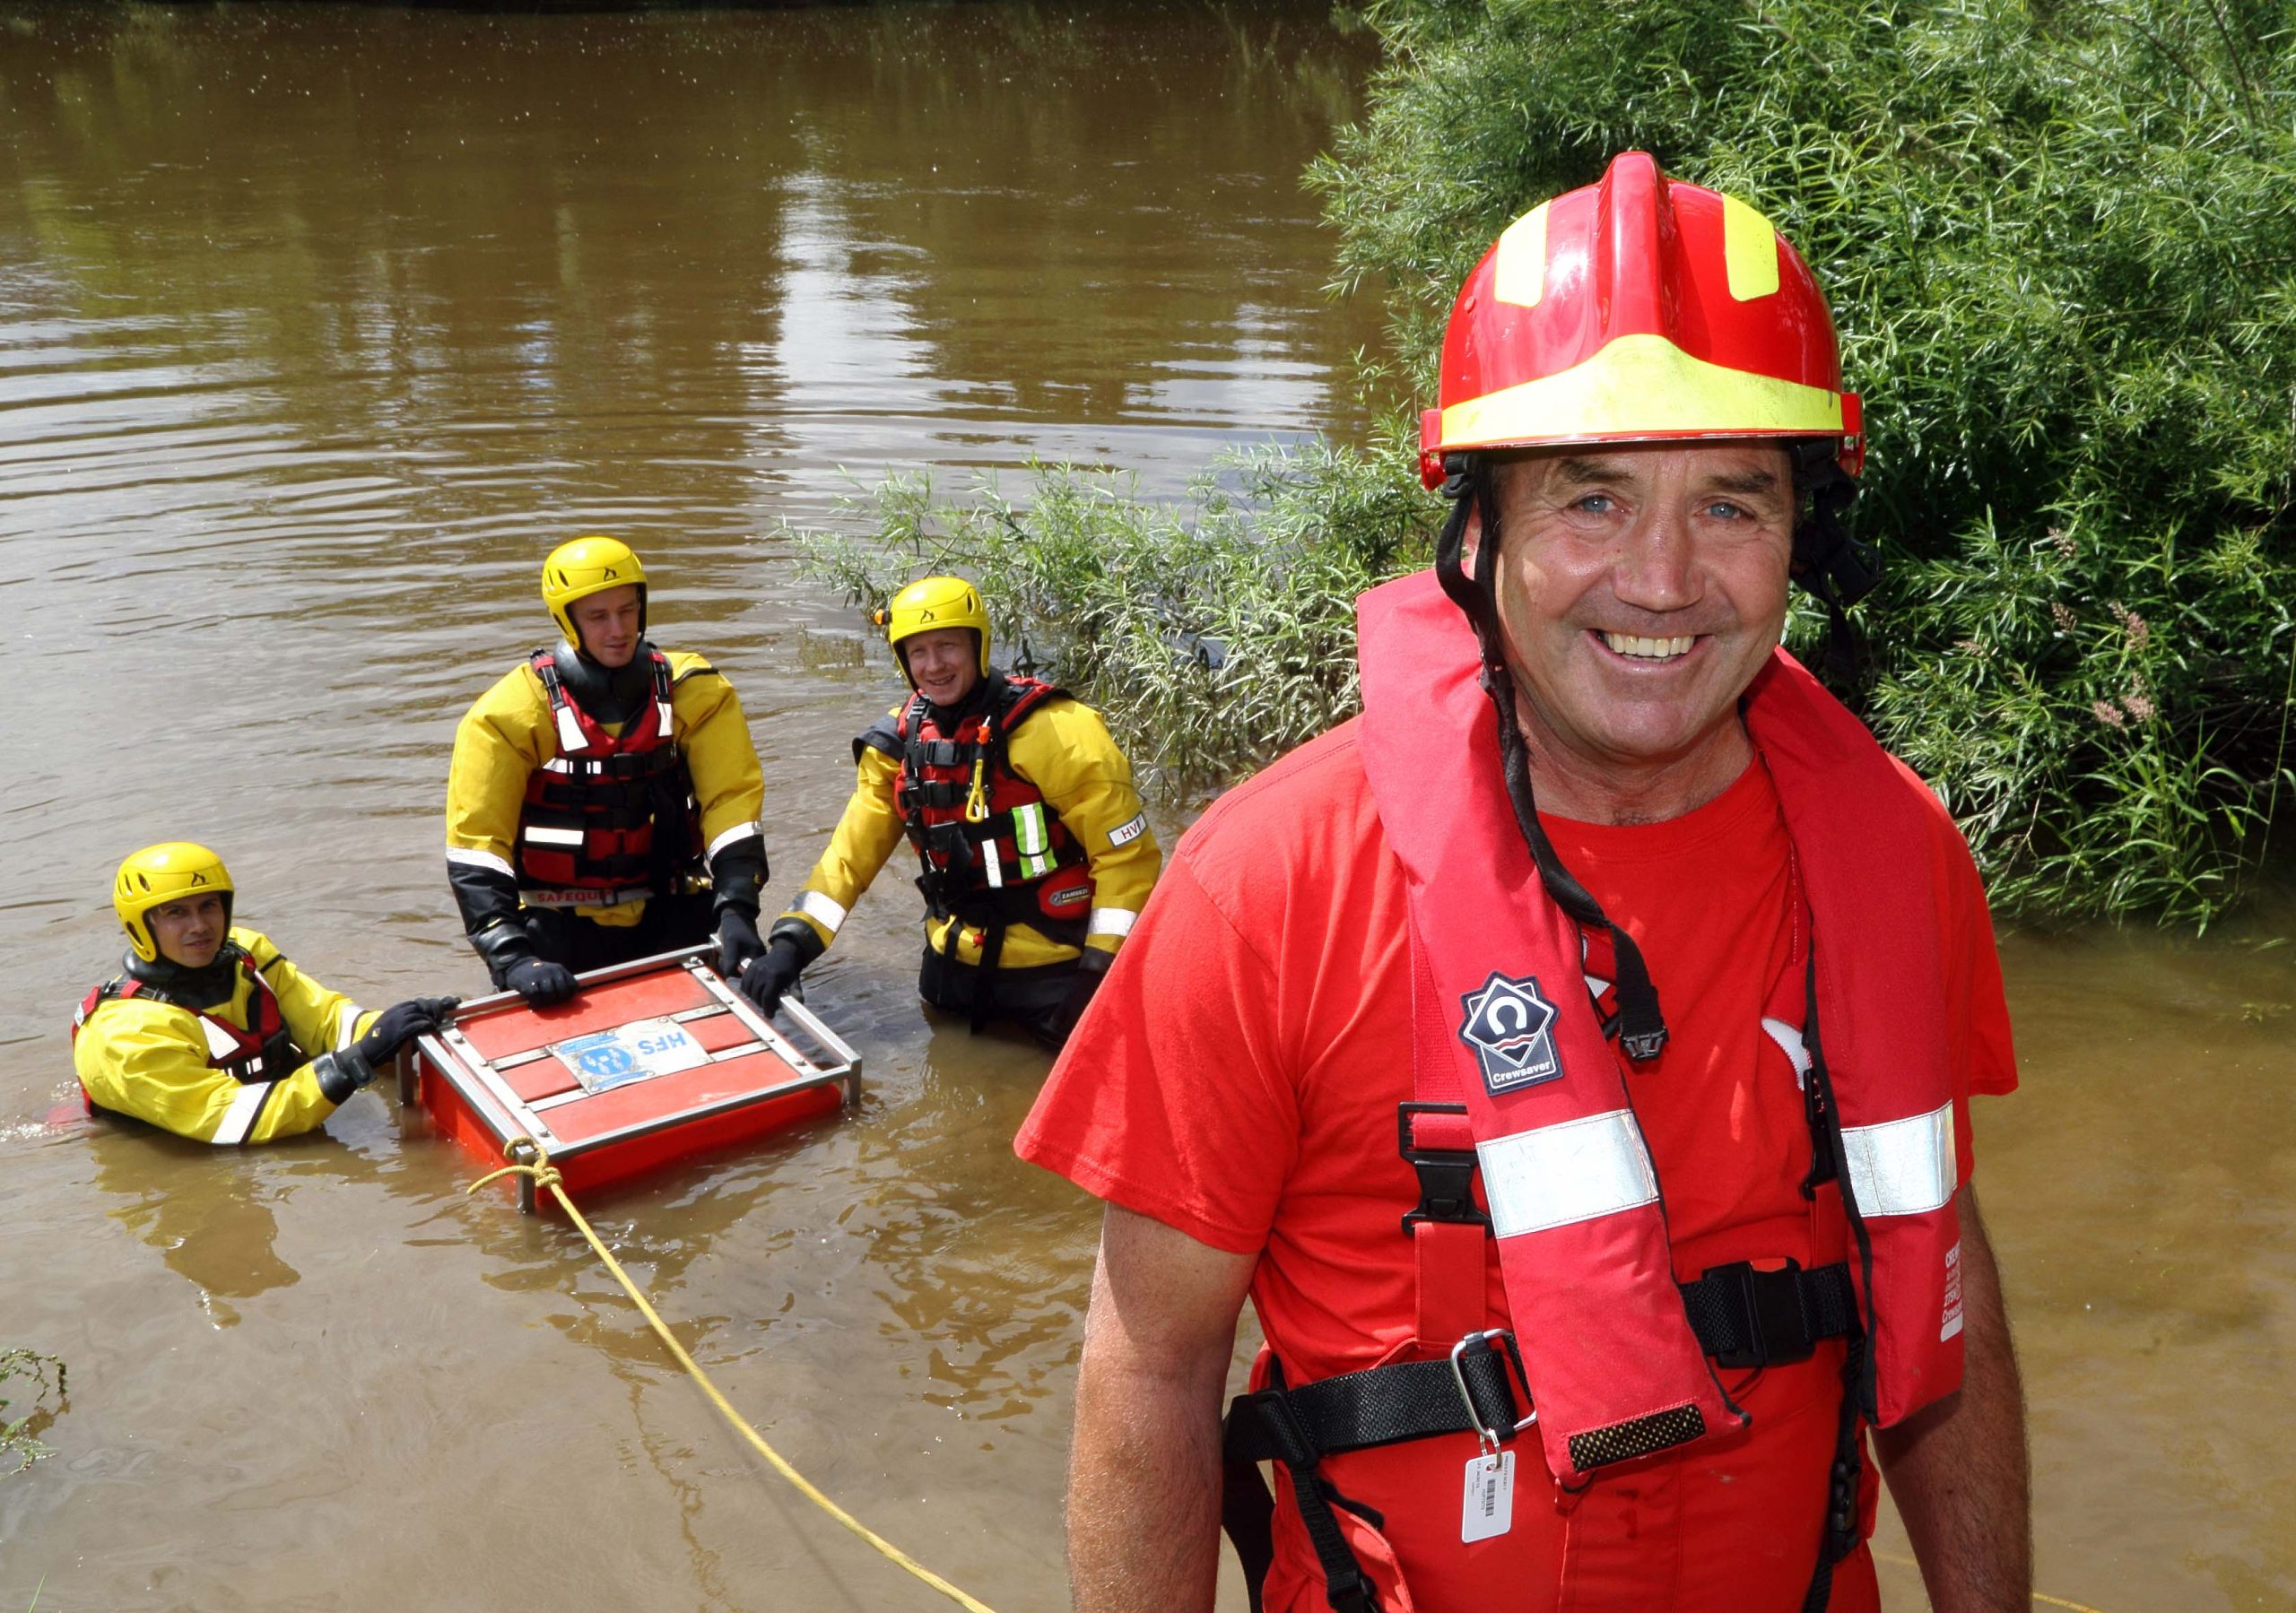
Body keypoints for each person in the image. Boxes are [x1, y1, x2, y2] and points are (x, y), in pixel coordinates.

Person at [1016, 152, 2030, 1612]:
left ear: (1809, 533)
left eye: (1734, 504)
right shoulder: (1272, 884)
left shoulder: (1897, 860)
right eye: (1594, 500)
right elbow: (1150, 1366)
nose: (1665, 578)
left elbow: (1950, 1296)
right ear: (1475, 528)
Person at [742, 576, 1161, 1048]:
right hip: (948, 970)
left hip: (1055, 974)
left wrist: (1098, 974)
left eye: (948, 646)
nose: (934, 666)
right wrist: (792, 944)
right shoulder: (898, 745)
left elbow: (1128, 861)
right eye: (917, 652)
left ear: (978, 646)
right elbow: (849, 858)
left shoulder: (1060, 733)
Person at [446, 535, 770, 1004]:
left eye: (628, 610)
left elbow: (732, 805)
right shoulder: (507, 715)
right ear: (567, 620)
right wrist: (510, 954)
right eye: (598, 617)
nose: (618, 630)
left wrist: (737, 909)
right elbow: (477, 846)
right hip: (556, 930)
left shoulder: (698, 693)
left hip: (672, 909)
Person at [73, 842, 456, 1145]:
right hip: (188, 1136)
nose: (200, 926)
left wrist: (396, 1029)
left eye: (209, 906)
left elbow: (325, 1022)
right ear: (140, 926)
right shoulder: (128, 1032)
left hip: (261, 1107)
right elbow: (232, 1123)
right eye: (176, 913)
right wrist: (356, 1062)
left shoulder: (246, 955)